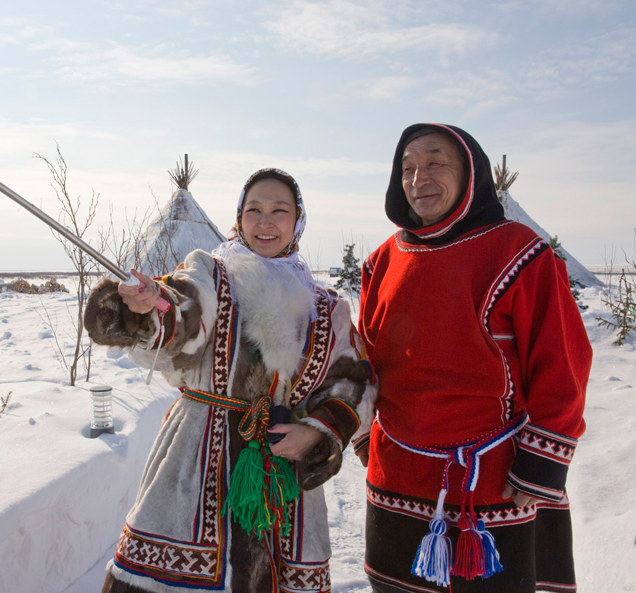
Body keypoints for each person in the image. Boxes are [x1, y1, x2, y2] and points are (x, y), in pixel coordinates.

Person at [85, 168, 377, 593]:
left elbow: (352, 382)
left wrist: (316, 434)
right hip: (195, 464)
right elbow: (183, 309)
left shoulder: (326, 309)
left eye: (279, 211)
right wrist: (148, 306)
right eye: (253, 210)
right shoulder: (213, 275)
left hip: (286, 484)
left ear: (298, 220)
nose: (264, 222)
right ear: (239, 217)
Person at [354, 124, 591, 593]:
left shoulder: (519, 252)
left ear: (470, 173)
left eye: (436, 162)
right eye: (407, 167)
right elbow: (364, 363)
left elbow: (562, 362)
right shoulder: (383, 260)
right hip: (397, 474)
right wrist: (366, 436)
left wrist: (540, 465)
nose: (419, 177)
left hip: (492, 482)